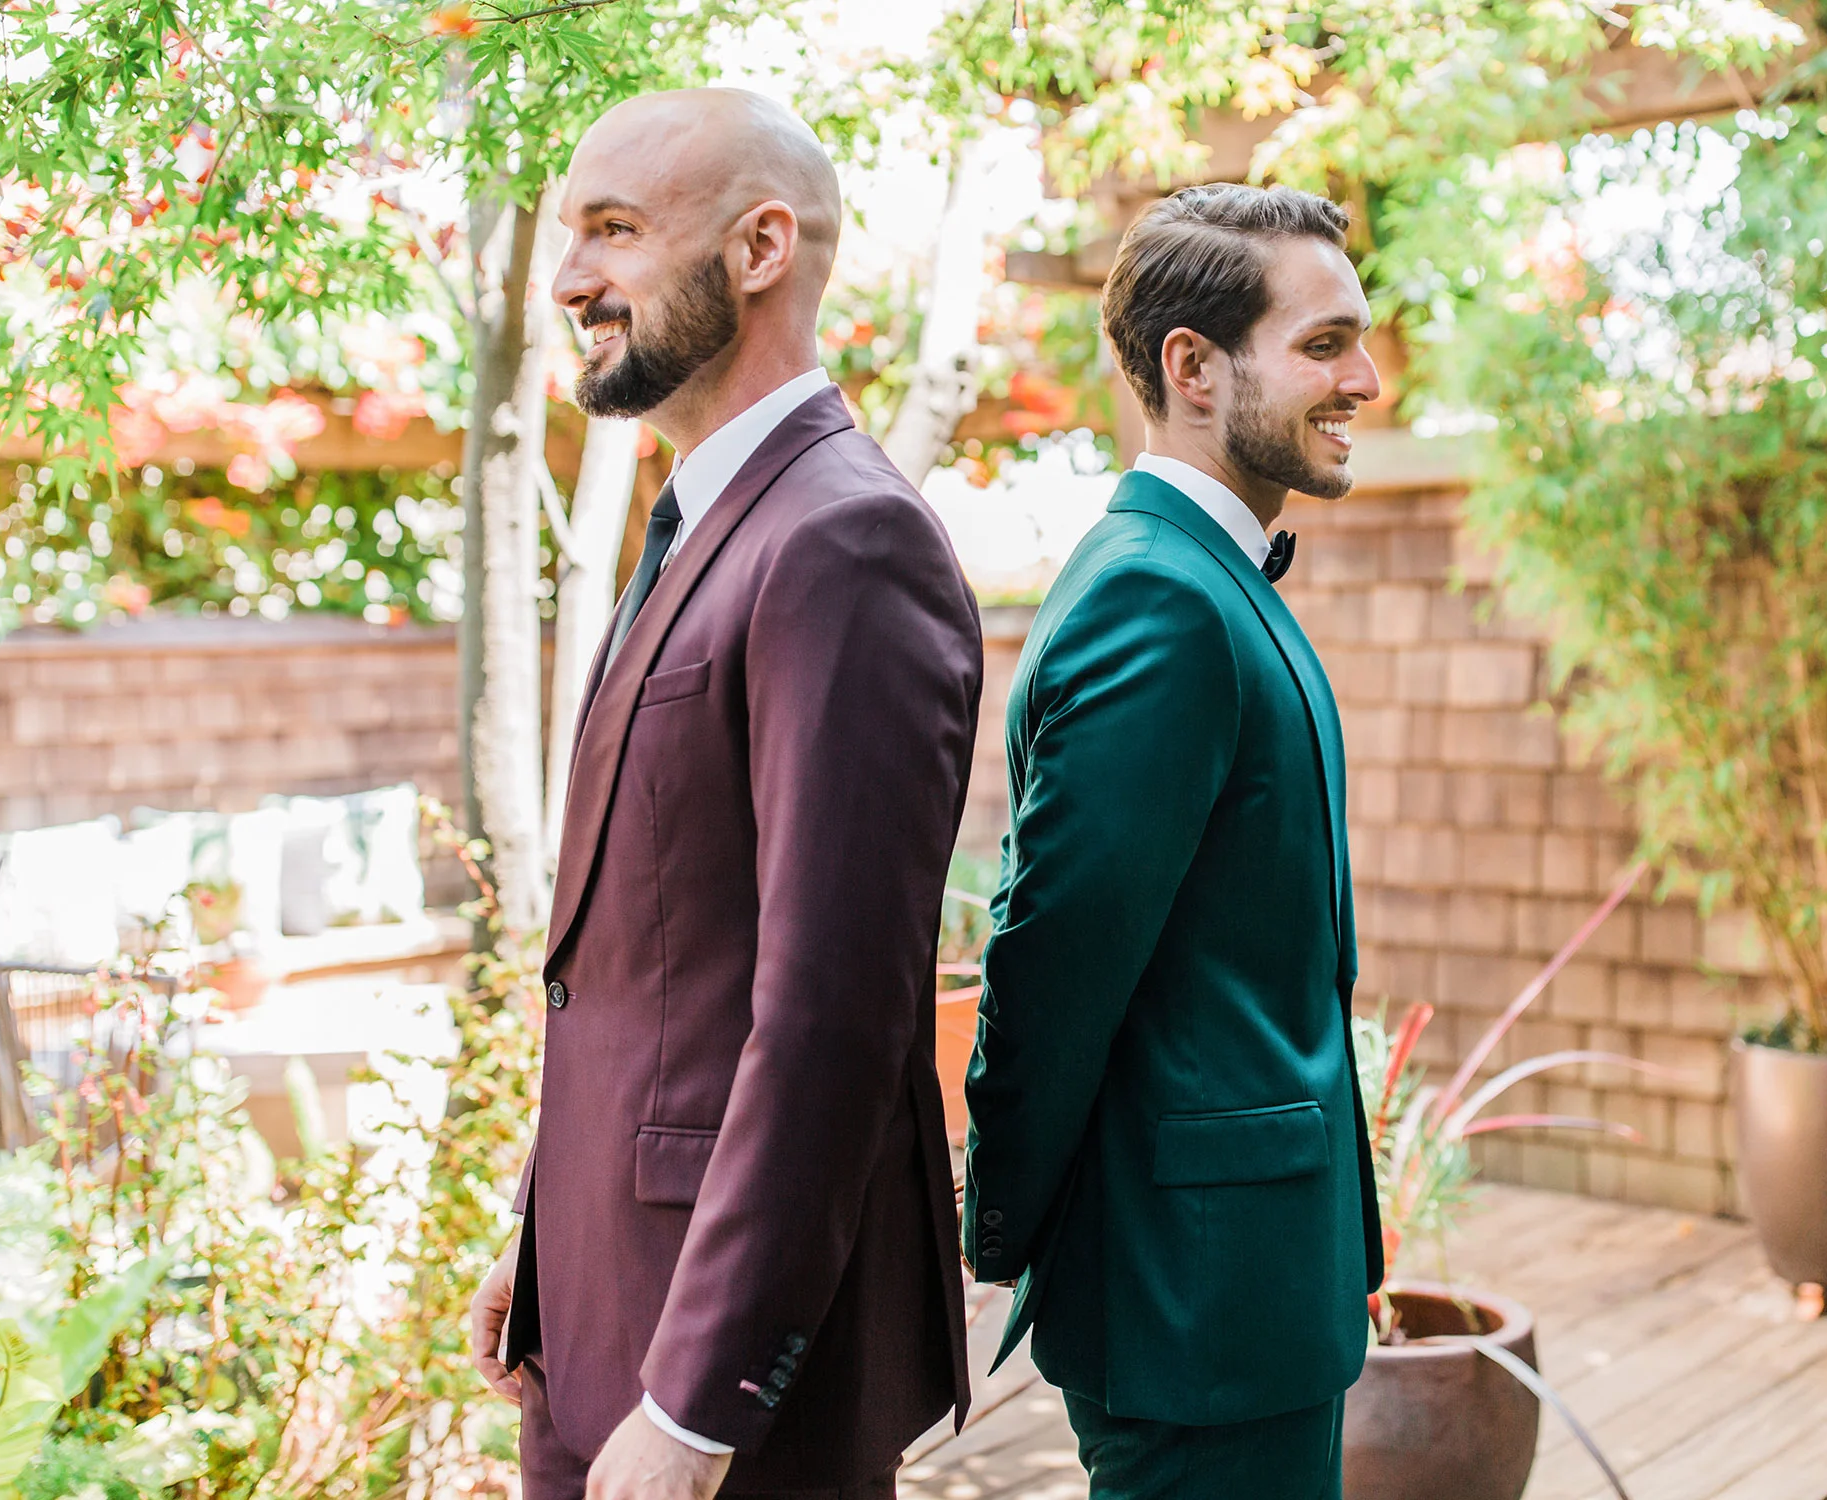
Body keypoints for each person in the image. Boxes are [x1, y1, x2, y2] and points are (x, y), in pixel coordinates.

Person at [467, 89, 982, 1500]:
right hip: (599, 1305)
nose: (571, 277)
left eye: (616, 231)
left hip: (729, 1377)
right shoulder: (697, 519)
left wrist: (701, 1400)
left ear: (762, 248)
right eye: (572, 235)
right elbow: (648, 961)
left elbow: (833, 1010)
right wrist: (540, 1244)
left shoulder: (846, 540)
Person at [960, 182, 1385, 1500]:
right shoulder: (1155, 595)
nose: (1364, 378)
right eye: (1322, 345)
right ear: (1190, 368)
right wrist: (1004, 1232)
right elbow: (1057, 959)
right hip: (1189, 1301)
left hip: (1249, 1285)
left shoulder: (1204, 576)